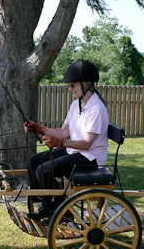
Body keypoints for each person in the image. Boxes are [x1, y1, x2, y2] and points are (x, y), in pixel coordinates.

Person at [24, 59, 109, 224]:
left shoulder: (96, 109)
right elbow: (64, 132)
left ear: (88, 84)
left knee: (44, 170)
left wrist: (60, 143)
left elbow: (86, 144)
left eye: (73, 85)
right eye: (70, 85)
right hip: (76, 152)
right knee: (33, 161)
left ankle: (62, 210)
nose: (70, 89)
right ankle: (48, 205)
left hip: (90, 158)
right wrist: (40, 129)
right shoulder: (76, 104)